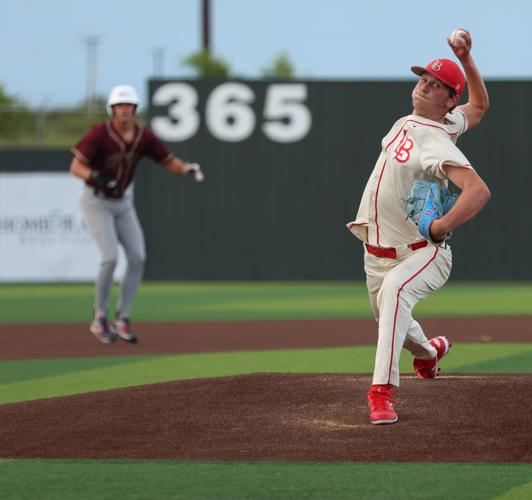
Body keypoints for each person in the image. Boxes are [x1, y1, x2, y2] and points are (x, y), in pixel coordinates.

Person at [346, 29, 491, 425]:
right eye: (423, 79)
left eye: (436, 85)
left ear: (448, 99)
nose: (424, 86)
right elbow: (478, 106)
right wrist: (466, 58)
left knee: (395, 294)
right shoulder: (436, 123)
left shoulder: (438, 142)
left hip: (422, 252)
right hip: (377, 253)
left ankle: (382, 393)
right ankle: (429, 354)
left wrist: (442, 225)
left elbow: (478, 191)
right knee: (394, 322)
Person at [69, 84, 204, 344]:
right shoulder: (99, 134)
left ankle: (123, 318)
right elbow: (76, 166)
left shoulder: (143, 136)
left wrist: (187, 169)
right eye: (120, 106)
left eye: (129, 105)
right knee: (109, 258)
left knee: (138, 257)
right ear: (112, 109)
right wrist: (94, 175)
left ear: (135, 109)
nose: (124, 110)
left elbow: (167, 160)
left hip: (122, 202)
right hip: (96, 201)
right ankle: (99, 317)